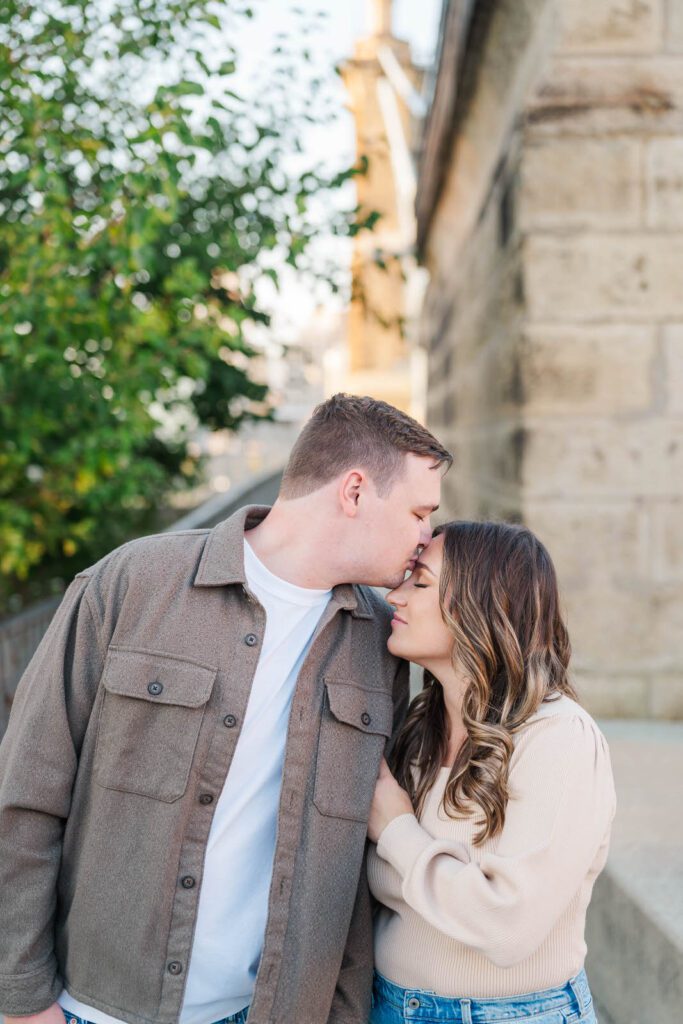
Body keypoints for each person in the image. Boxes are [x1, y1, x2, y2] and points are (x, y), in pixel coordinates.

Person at [0, 393, 451, 1024]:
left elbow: (348, 873)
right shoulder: (132, 583)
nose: (425, 538)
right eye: (418, 512)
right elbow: (25, 796)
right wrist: (21, 999)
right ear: (354, 492)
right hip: (91, 1009)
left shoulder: (380, 642)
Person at [367, 521, 616, 1024]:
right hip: (389, 1006)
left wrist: (396, 831)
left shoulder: (559, 737)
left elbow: (508, 925)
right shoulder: (418, 728)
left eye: (420, 582)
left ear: (482, 606)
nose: (394, 596)